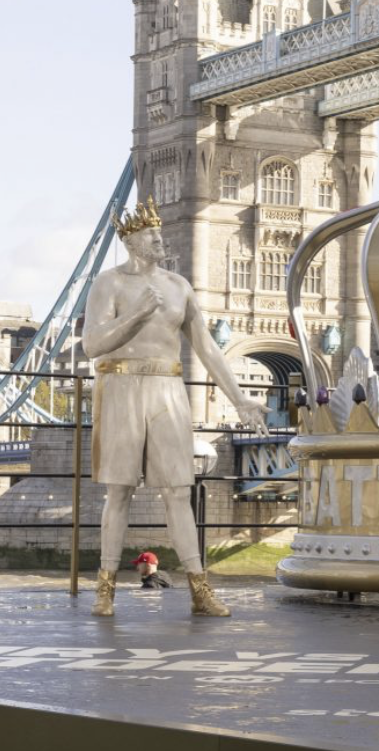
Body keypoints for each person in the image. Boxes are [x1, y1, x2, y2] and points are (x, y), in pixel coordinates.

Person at [83, 196, 269, 618]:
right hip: (121, 387)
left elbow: (208, 348)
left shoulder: (179, 286)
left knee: (179, 493)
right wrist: (135, 315)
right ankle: (106, 589)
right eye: (151, 234)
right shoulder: (108, 283)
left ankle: (200, 590)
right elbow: (92, 345)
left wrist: (240, 400)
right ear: (131, 240)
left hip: (168, 388)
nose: (159, 238)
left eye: (159, 232)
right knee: (119, 492)